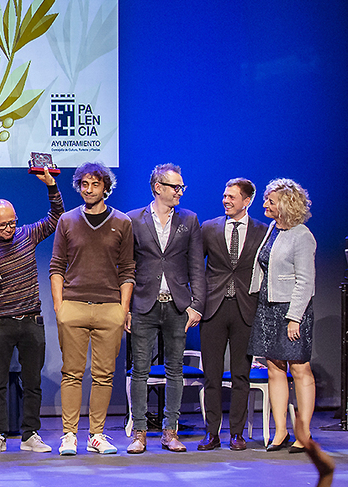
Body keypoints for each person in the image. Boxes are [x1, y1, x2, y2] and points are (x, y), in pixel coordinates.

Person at [50, 162, 134, 456]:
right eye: (84, 184)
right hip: (73, 305)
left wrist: (122, 310)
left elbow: (128, 270)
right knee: (71, 373)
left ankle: (96, 435)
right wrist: (60, 307)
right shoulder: (67, 221)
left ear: (106, 188)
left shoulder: (122, 222)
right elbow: (57, 266)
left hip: (109, 307)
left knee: (104, 375)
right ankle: (69, 435)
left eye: (95, 184)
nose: (88, 189)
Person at [125, 164, 206, 454]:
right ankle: (139, 433)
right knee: (140, 371)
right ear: (158, 187)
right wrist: (126, 308)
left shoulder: (189, 220)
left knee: (175, 370)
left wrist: (196, 305)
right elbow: (126, 267)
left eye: (181, 187)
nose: (180, 191)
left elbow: (197, 265)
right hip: (143, 304)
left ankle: (170, 431)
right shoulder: (134, 219)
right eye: (175, 187)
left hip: (177, 305)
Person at [0, 168, 63, 454]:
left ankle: (30, 434)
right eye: (2, 225)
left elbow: (56, 218)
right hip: (0, 323)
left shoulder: (26, 234)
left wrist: (51, 186)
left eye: (11, 223)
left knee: (32, 382)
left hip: (31, 320)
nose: (8, 229)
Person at [199, 178, 268, 451]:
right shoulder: (209, 228)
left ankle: (237, 434)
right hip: (213, 308)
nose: (226, 200)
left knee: (241, 375)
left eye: (232, 197)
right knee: (212, 376)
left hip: (245, 309)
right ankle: (211, 433)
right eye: (225, 196)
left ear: (247, 201)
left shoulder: (262, 231)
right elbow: (196, 266)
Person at [248, 178, 317, 453]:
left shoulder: (302, 236)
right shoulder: (273, 229)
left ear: (286, 204)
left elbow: (305, 281)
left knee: (299, 369)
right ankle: (280, 432)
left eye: (270, 201)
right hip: (267, 307)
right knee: (275, 369)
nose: (265, 204)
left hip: (292, 309)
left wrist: (294, 317)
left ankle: (304, 433)